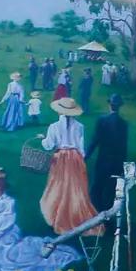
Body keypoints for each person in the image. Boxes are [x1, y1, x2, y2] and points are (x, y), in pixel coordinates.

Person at [38, 97, 95, 235]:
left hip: (61, 158)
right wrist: (81, 159)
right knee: (74, 188)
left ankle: (55, 216)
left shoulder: (54, 127)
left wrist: (42, 139)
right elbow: (81, 148)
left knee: (57, 186)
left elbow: (49, 145)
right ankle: (73, 215)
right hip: (75, 158)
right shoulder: (80, 127)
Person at [87, 94, 131, 223]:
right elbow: (124, 147)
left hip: (103, 160)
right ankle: (107, 218)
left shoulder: (102, 120)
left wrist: (86, 155)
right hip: (116, 162)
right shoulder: (124, 124)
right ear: (119, 107)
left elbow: (95, 140)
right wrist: (124, 165)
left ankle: (96, 215)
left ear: (109, 105)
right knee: (111, 190)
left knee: (97, 188)